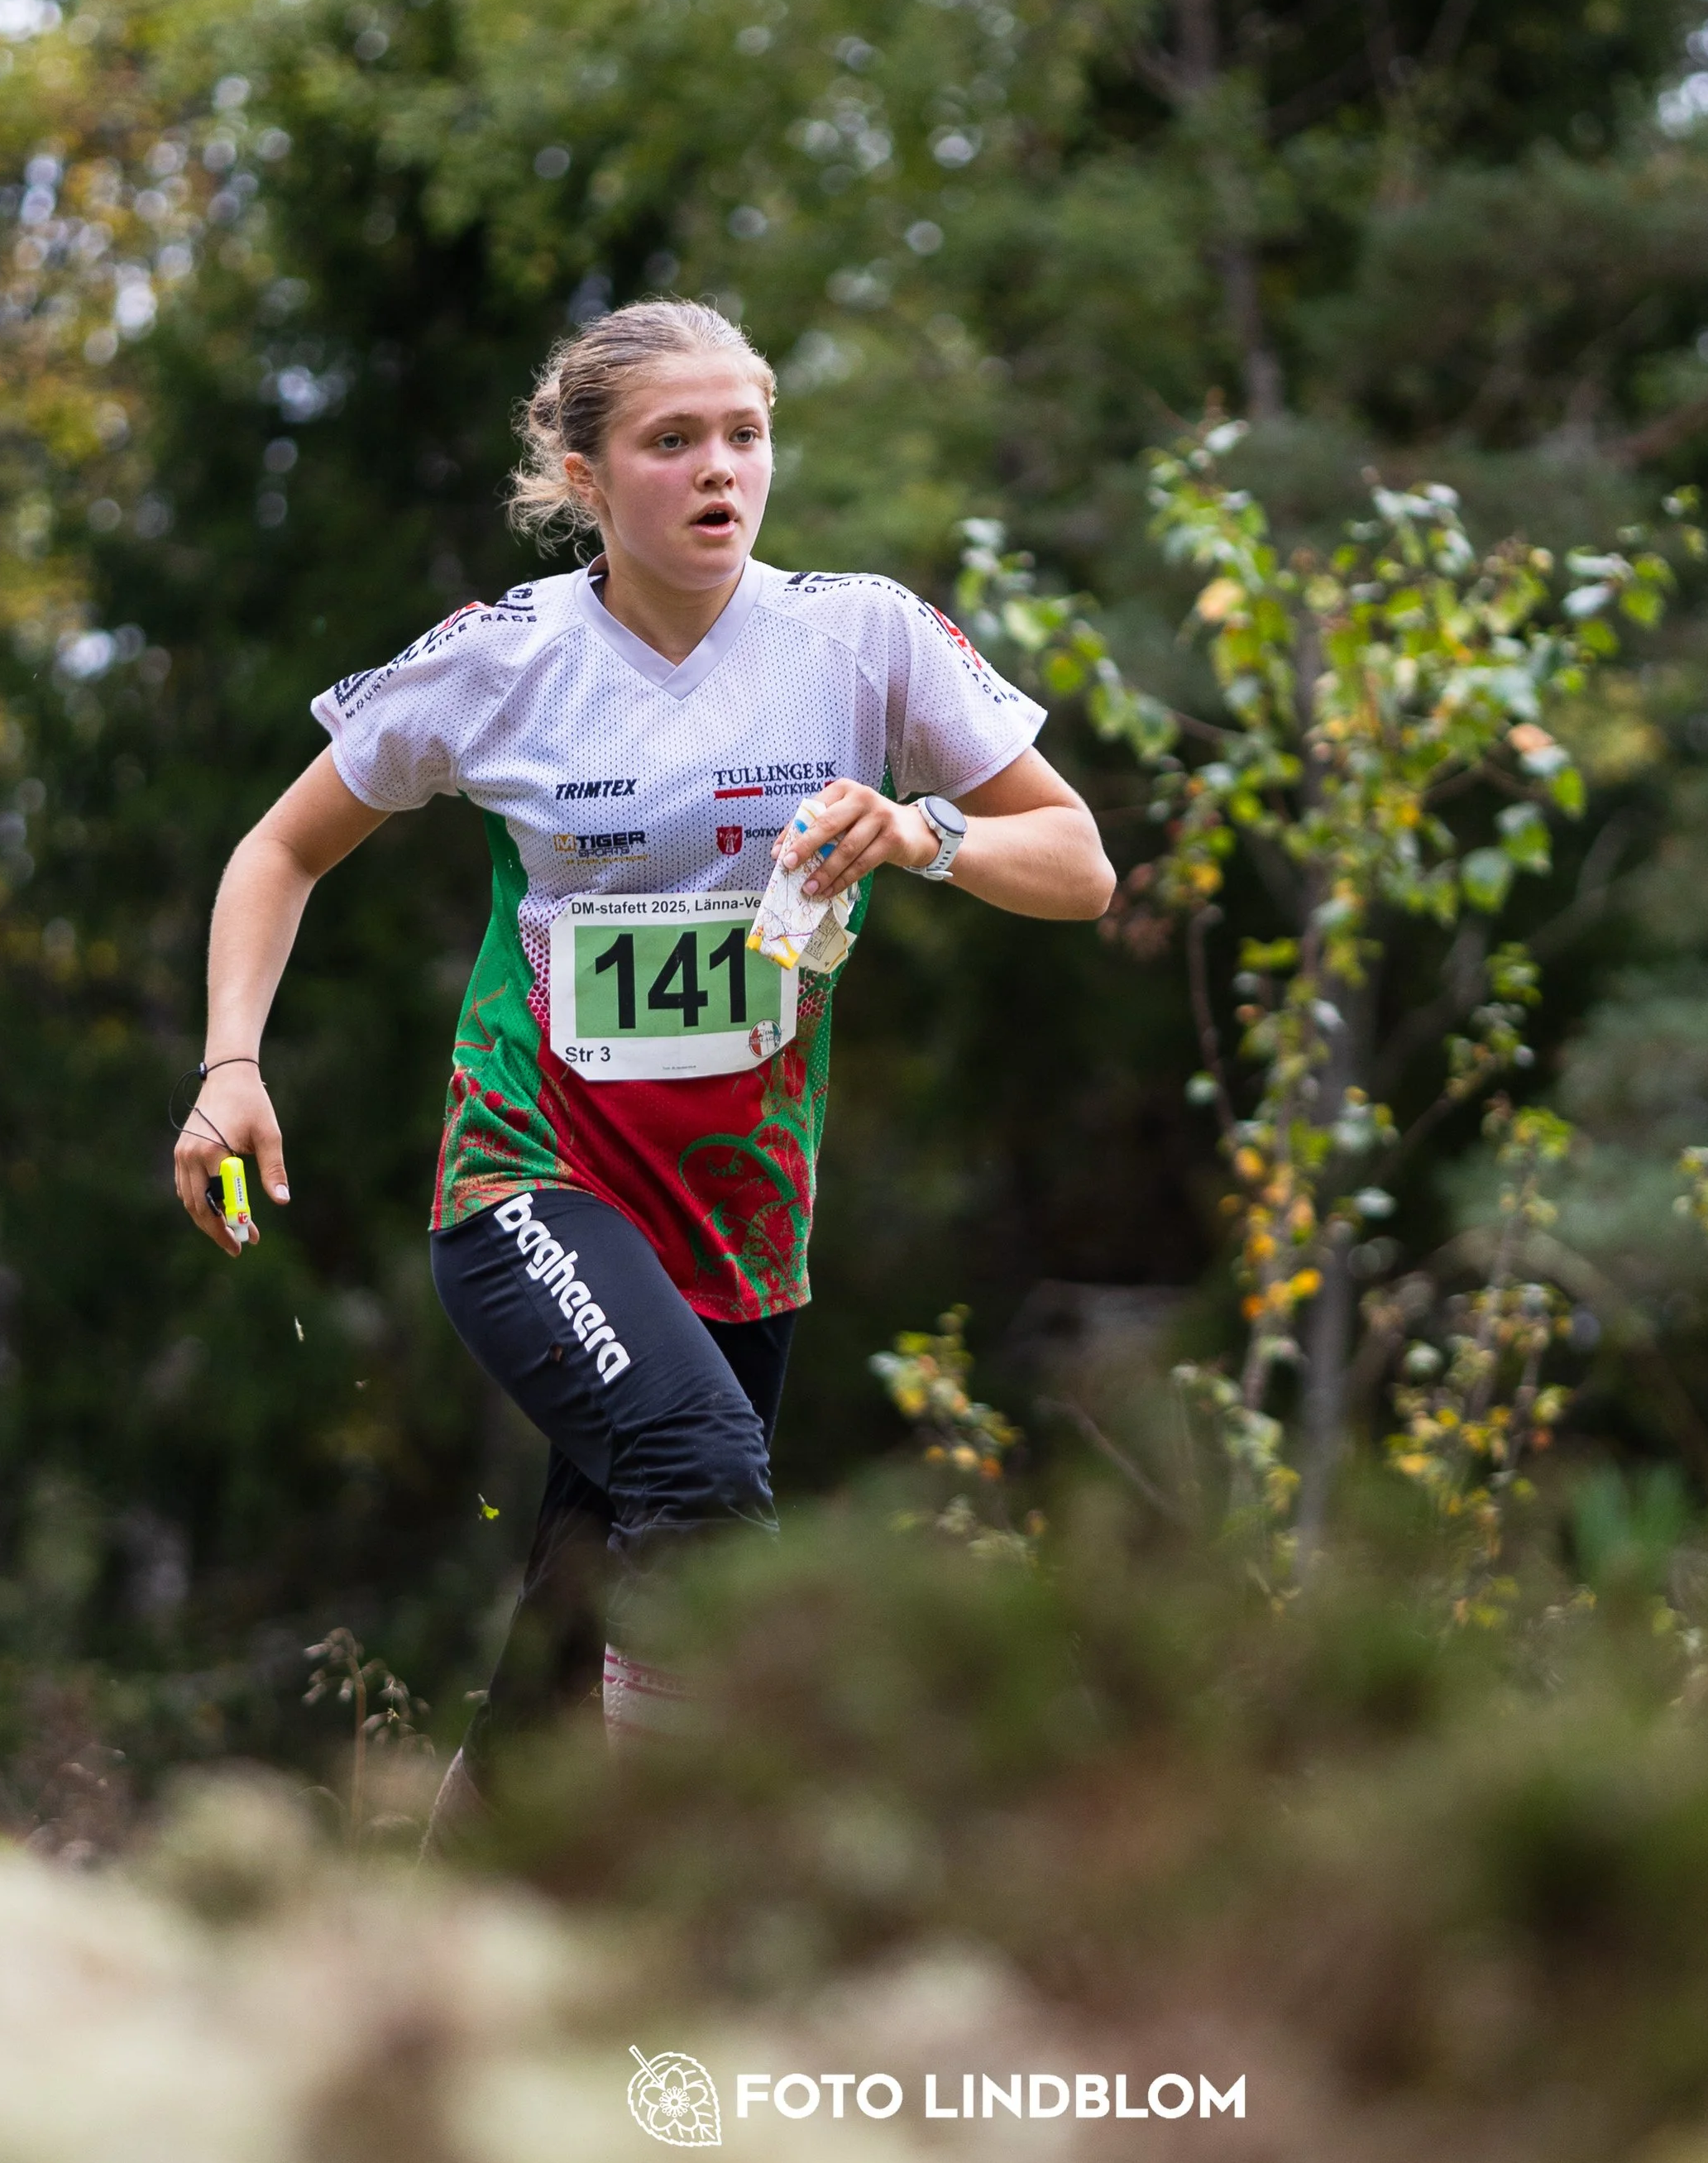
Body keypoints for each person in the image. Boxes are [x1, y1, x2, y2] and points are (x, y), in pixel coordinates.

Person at [171, 296, 1114, 1820]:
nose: (718, 470)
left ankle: (447, 1924)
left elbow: (1081, 865)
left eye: (745, 435)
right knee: (701, 1471)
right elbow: (277, 850)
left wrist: (922, 830)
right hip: (527, 1183)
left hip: (740, 1225)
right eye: (671, 441)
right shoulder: (502, 663)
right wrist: (230, 1064)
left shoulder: (862, 639)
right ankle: (700, 1880)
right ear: (586, 477)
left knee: (583, 1612)